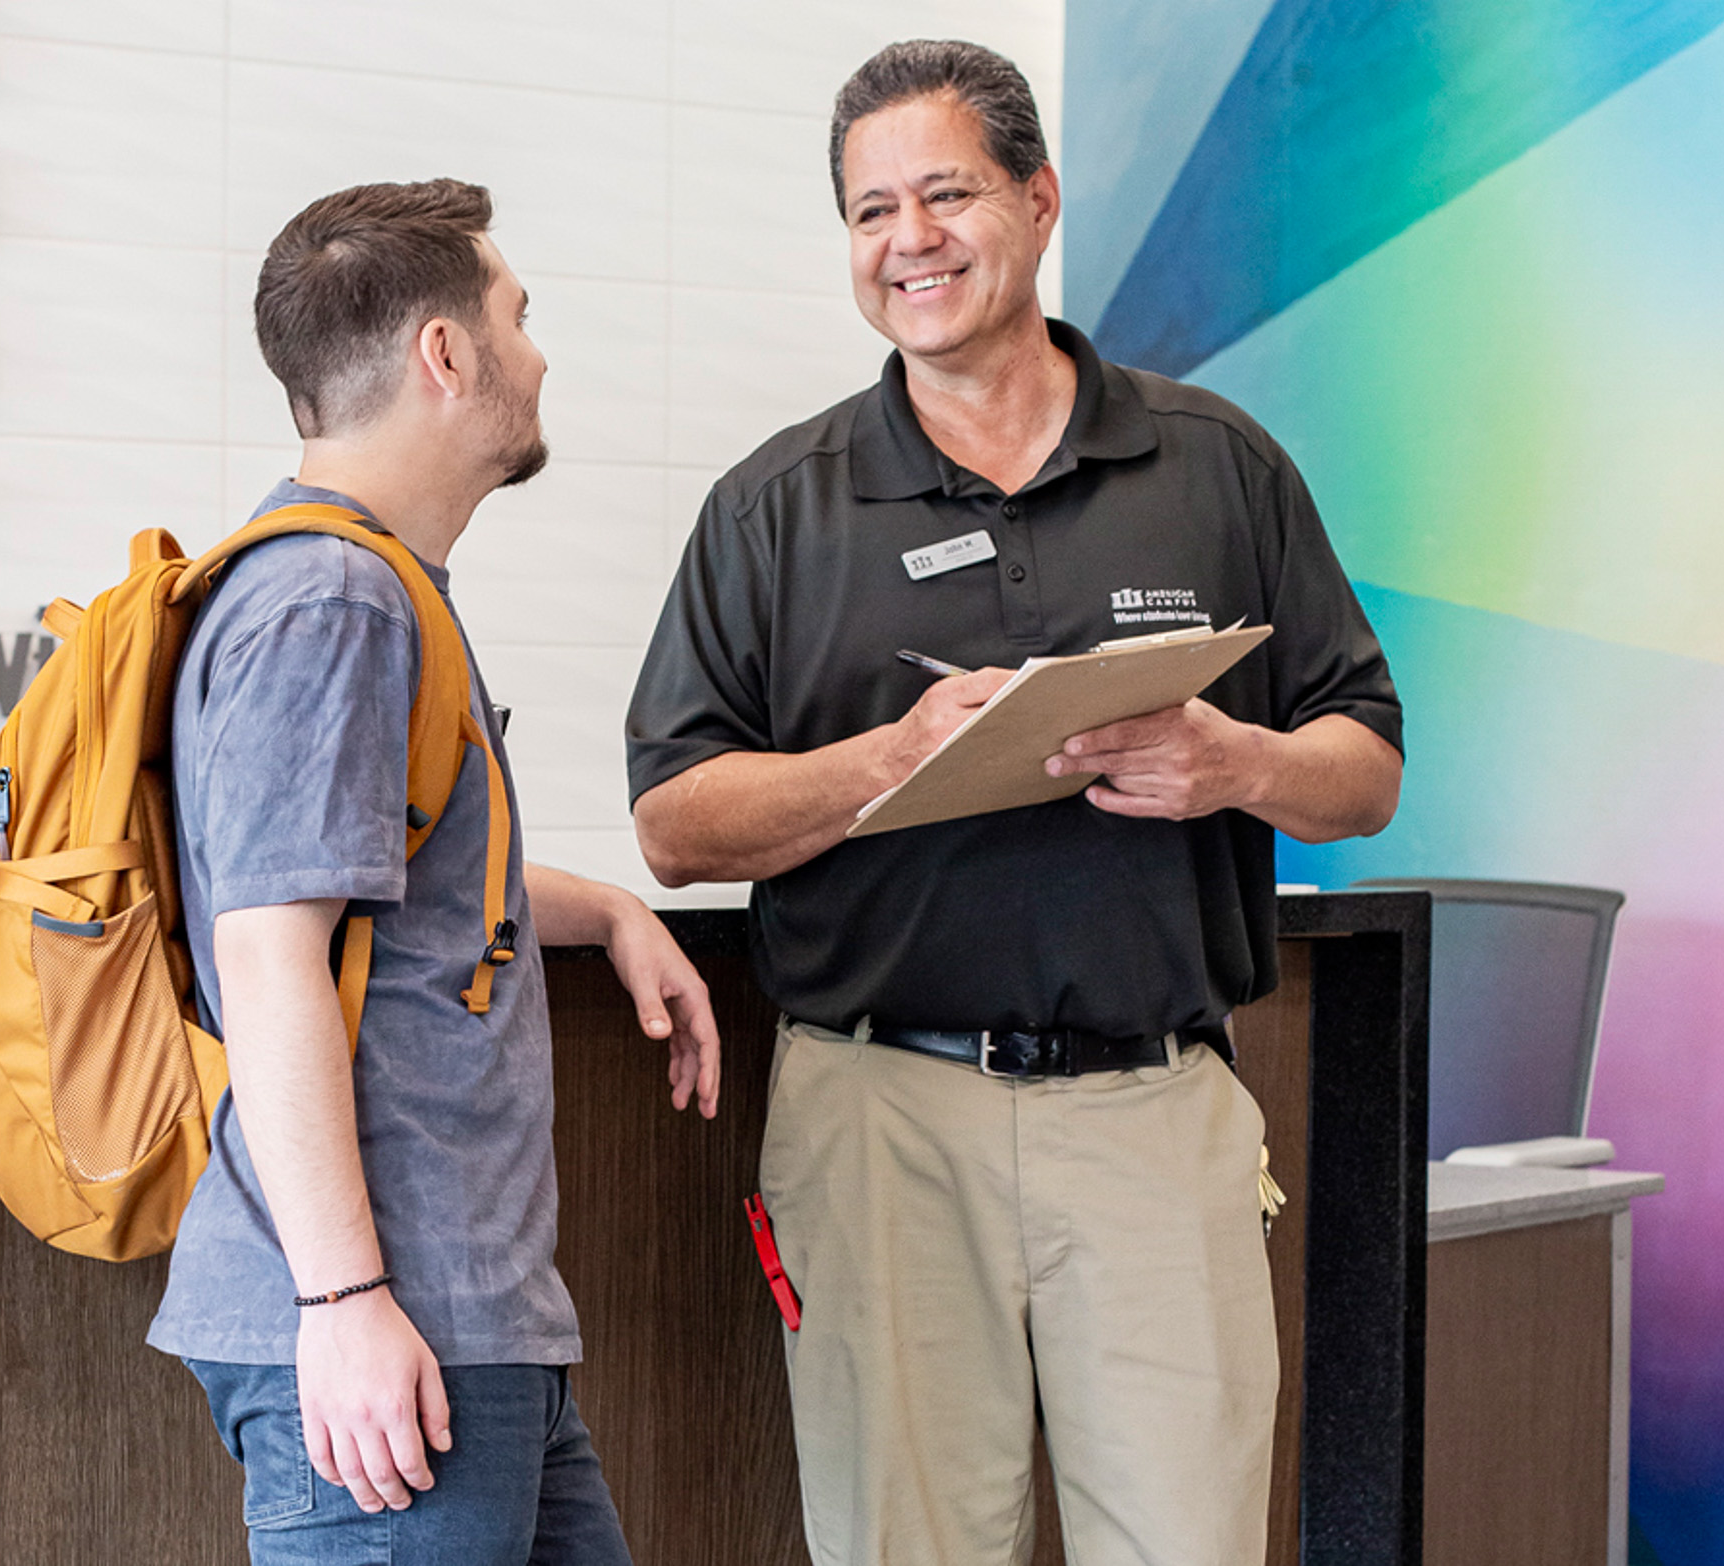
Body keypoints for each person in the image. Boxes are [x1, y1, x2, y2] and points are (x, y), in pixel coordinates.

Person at [626, 40, 1403, 1566]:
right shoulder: (774, 509)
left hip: (1155, 1109)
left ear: (1038, 202)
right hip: (878, 1118)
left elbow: (1365, 762)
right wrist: (883, 762)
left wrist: (1234, 762)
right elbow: (675, 818)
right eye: (868, 212)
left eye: (945, 193)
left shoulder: (1218, 466)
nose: (906, 239)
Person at [146, 179, 721, 1566]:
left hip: (459, 1318)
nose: (537, 353)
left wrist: (611, 909)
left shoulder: (376, 587)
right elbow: (272, 953)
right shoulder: (331, 599)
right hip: (384, 1326)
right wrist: (343, 1297)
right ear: (444, 354)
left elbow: (396, 879)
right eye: (517, 317)